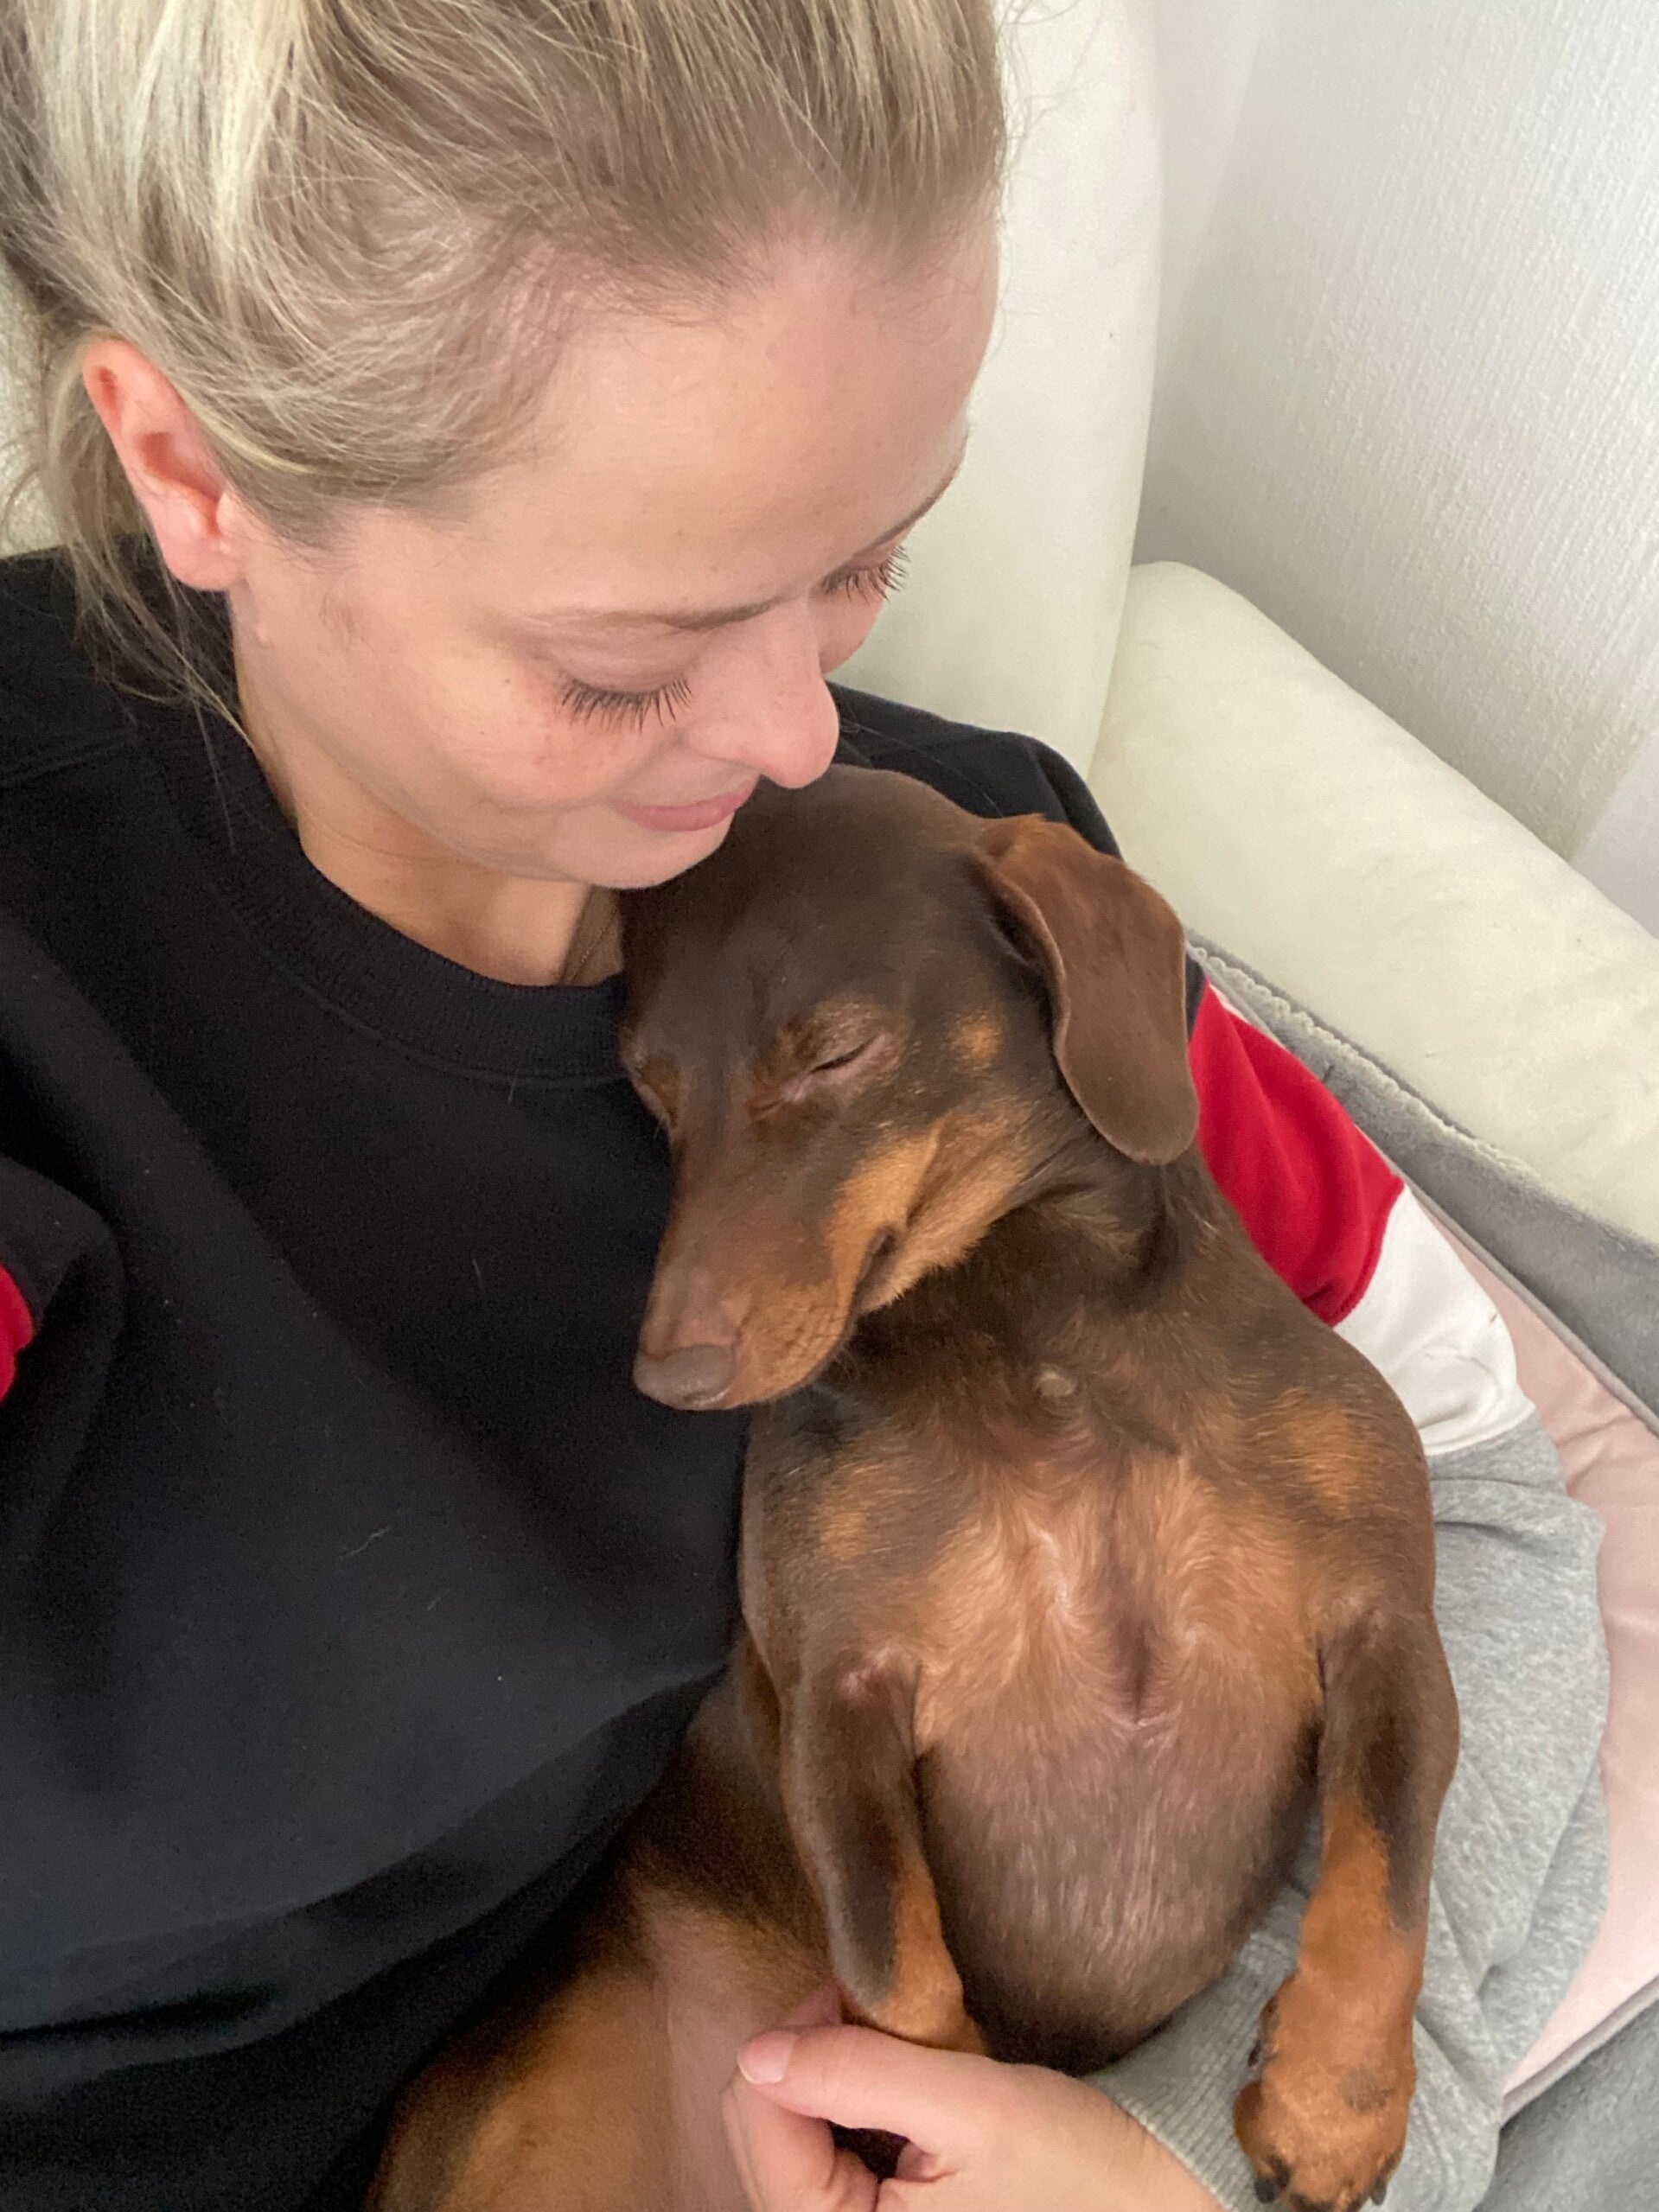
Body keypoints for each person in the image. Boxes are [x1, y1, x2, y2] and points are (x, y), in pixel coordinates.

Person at [0, 5, 1606, 2209]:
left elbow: (1481, 1485)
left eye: (866, 557)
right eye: (624, 662)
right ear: (192, 473)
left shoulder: (951, 901)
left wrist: (1196, 2158)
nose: (795, 731)